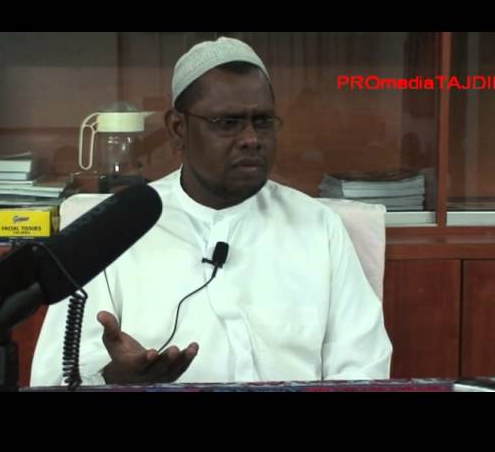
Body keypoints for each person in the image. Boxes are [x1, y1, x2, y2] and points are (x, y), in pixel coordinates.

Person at [31, 37, 392, 386]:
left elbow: (363, 369)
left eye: (262, 121)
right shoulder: (113, 230)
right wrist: (115, 379)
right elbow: (56, 377)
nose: (251, 139)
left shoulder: (317, 227)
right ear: (178, 129)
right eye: (228, 123)